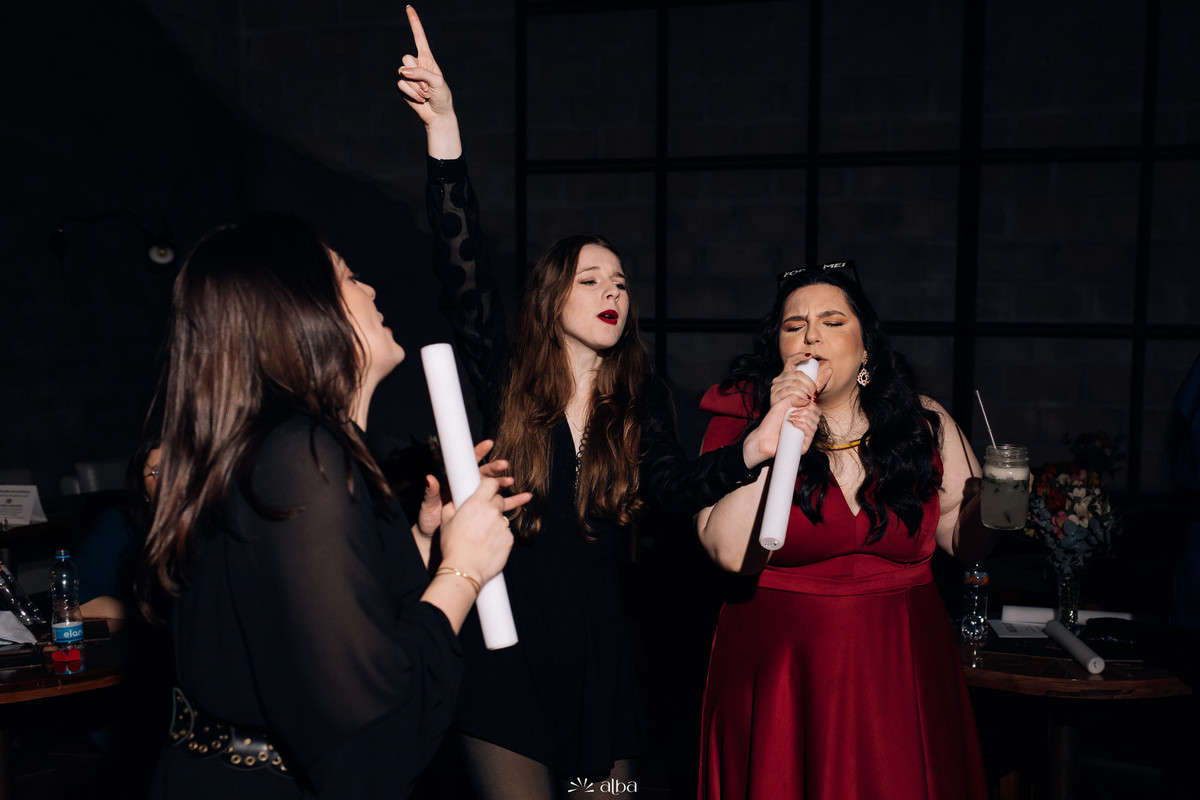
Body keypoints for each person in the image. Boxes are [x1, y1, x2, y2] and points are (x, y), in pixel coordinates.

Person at [397, 8, 786, 798]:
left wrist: (756, 447)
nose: (612, 291)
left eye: (620, 283)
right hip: (502, 656)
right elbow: (461, 268)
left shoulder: (639, 400)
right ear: (551, 298)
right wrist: (445, 130)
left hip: (600, 664)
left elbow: (676, 488)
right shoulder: (505, 374)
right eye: (590, 279)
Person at [141, 214, 529, 799]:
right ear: (299, 312)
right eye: (348, 277)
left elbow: (315, 623)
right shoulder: (303, 454)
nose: (370, 289)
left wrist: (427, 545)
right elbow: (372, 741)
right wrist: (465, 570)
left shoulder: (280, 450)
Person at [694, 263, 994, 800]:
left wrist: (994, 504)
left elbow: (961, 540)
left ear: (867, 349)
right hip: (786, 671)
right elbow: (728, 553)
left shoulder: (924, 424)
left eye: (832, 321)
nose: (811, 334)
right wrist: (773, 430)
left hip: (902, 667)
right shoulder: (739, 422)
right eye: (794, 325)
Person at [75, 437, 161, 620]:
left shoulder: (213, 528)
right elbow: (72, 596)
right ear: (144, 491)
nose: (171, 478)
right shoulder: (119, 524)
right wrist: (144, 618)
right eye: (158, 471)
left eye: (178, 468)